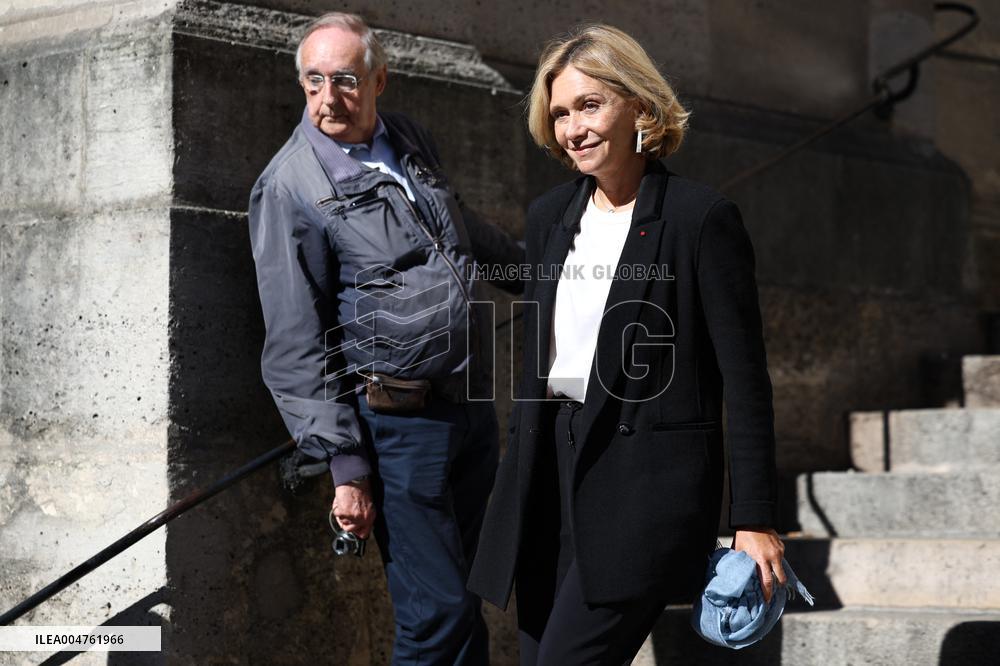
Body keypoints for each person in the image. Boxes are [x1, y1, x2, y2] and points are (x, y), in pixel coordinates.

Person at [468, 24, 786, 665]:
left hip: (643, 485)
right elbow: (542, 361)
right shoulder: (549, 215)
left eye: (589, 105)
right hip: (547, 471)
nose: (572, 128)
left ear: (640, 105)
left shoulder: (701, 220)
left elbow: (745, 379)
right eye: (559, 114)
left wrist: (753, 517)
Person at [248, 12, 522, 665]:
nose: (326, 98)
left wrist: (549, 276)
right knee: (437, 613)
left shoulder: (409, 140)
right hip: (398, 427)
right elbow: (295, 342)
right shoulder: (290, 186)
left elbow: (462, 231)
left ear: (379, 79)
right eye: (312, 81)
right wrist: (345, 466)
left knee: (471, 598)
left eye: (343, 80)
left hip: (469, 408)